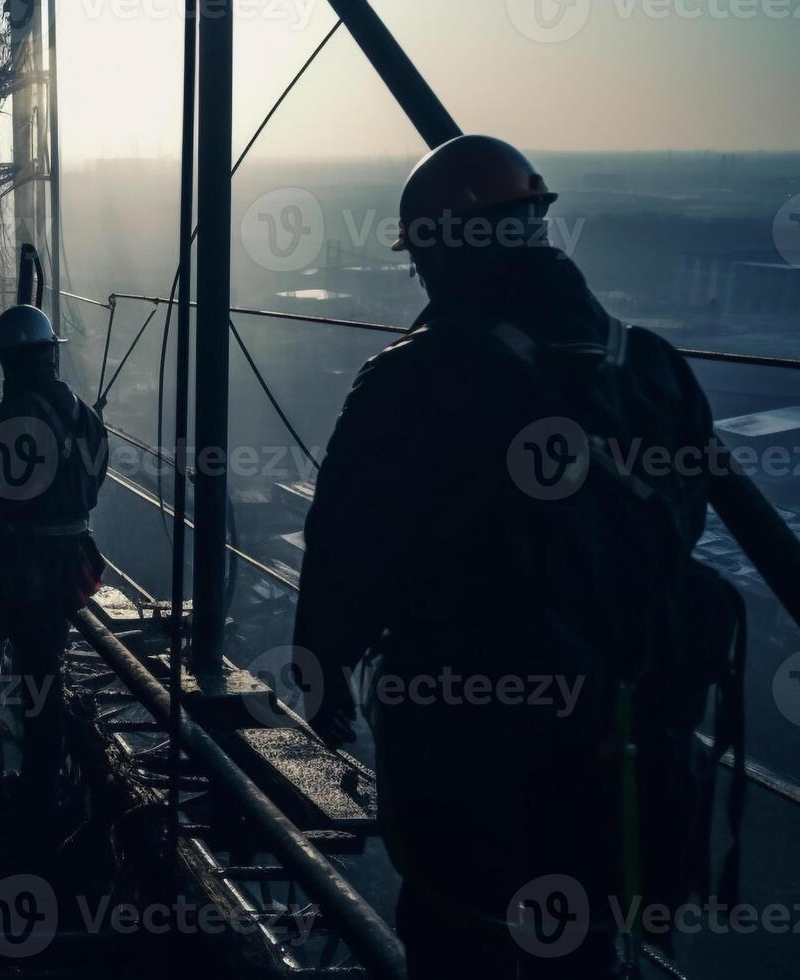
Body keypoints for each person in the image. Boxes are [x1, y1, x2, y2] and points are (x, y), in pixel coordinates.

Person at [294, 136, 740, 979]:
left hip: (467, 746)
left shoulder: (406, 381)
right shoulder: (651, 368)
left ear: (436, 250)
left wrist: (322, 673)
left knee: (459, 937)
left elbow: (347, 551)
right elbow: (672, 542)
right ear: (532, 227)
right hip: (623, 746)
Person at [0, 305, 107, 804]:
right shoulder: (86, 417)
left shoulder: (10, 418)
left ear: (11, 362)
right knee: (41, 672)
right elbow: (89, 493)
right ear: (50, 354)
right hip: (65, 566)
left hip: (9, 567)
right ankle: (40, 784)